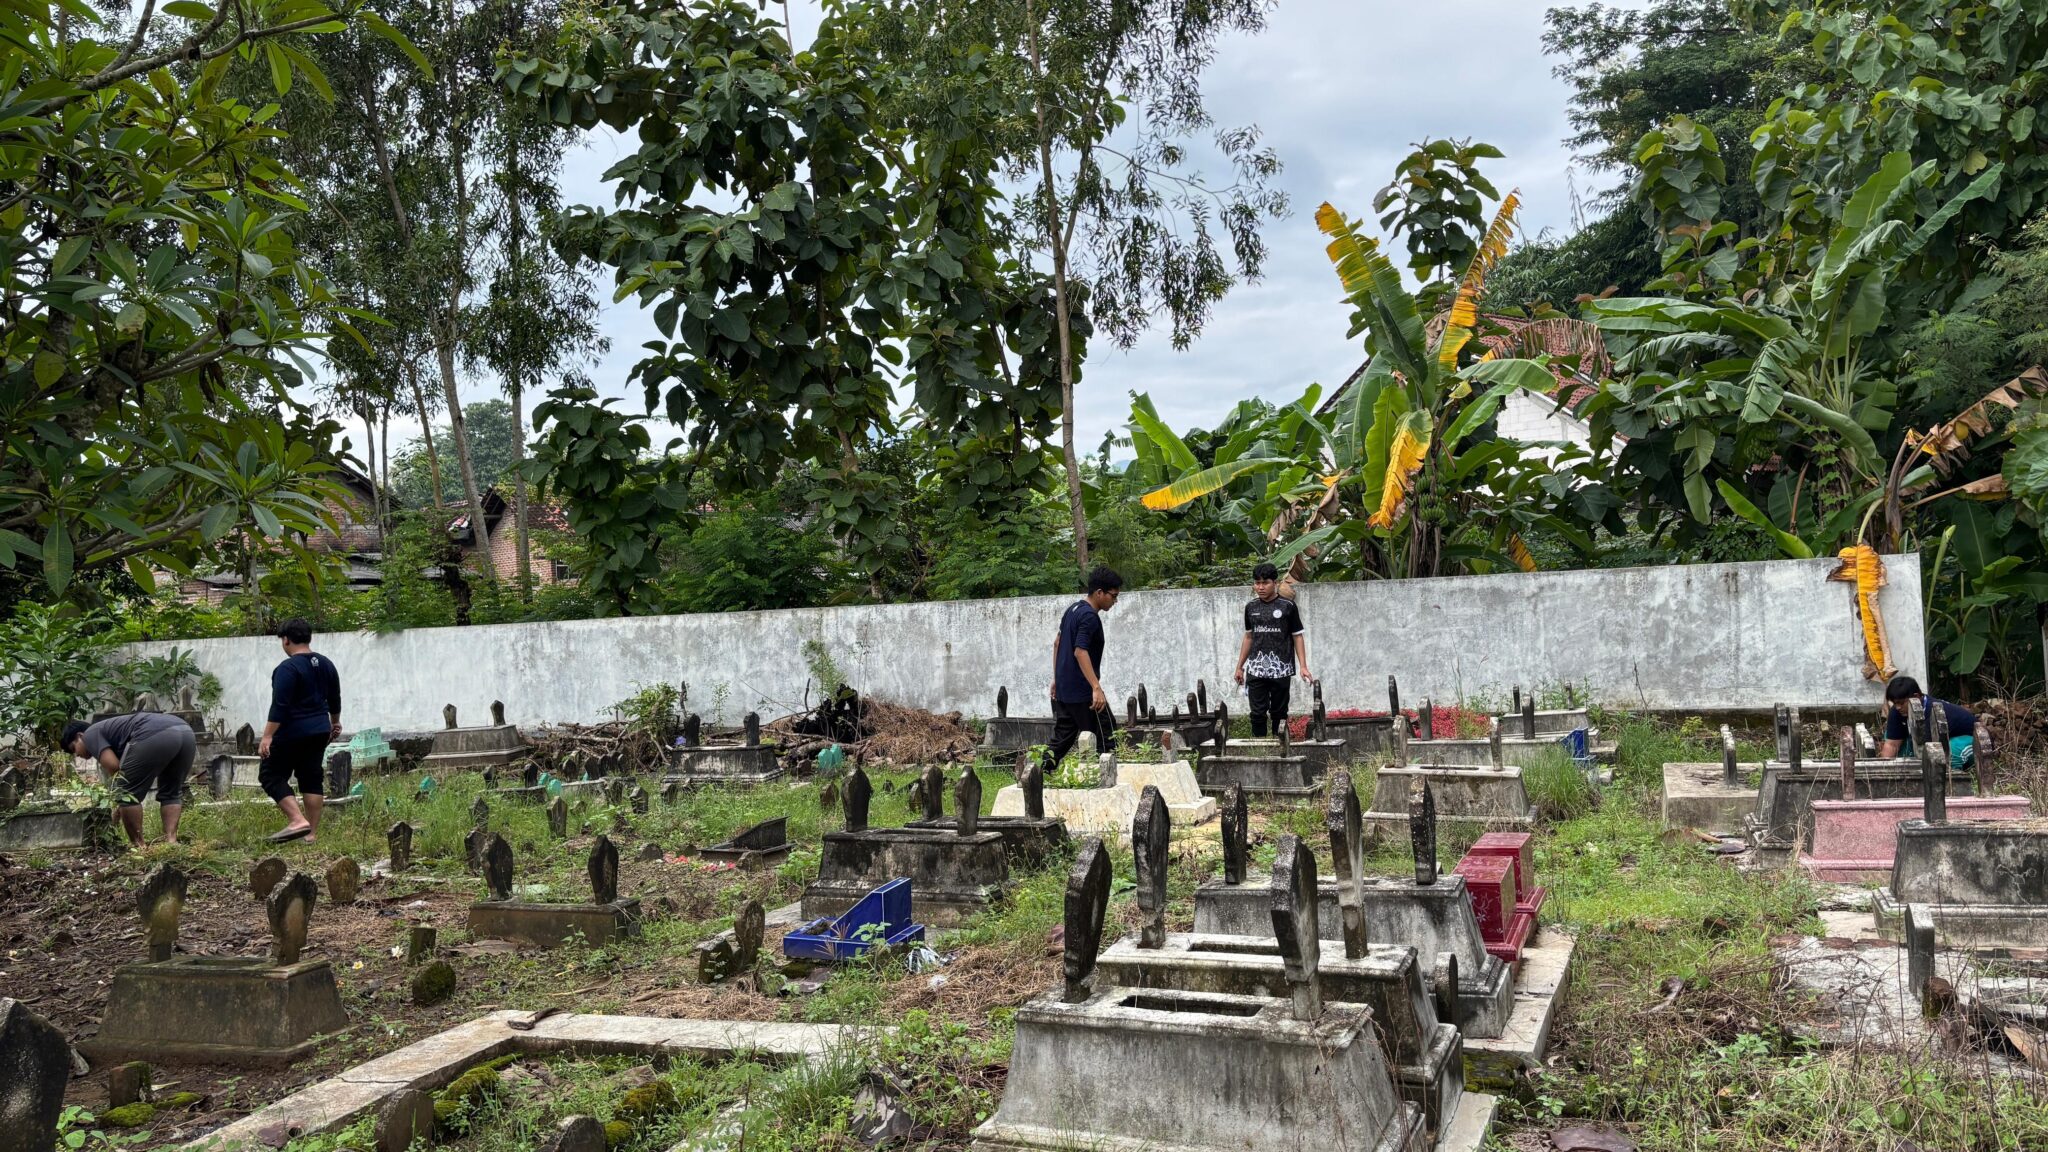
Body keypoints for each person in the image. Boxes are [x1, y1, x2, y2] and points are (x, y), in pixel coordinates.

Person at [260, 617, 343, 843]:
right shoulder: (326, 663)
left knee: (270, 776)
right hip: (319, 730)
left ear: (286, 640)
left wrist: (267, 736)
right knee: (311, 777)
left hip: (292, 732)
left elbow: (280, 705)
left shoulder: (288, 668)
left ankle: (297, 820)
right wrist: (335, 722)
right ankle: (311, 834)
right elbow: (334, 697)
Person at [59, 711, 196, 846]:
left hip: (156, 733)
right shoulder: (109, 730)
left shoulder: (90, 734)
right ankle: (171, 841)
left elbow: (115, 768)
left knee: (127, 794)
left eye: (73, 748)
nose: (77, 755)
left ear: (80, 736)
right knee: (170, 791)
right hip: (186, 732)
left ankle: (139, 847)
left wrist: (119, 801)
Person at [1041, 566, 1124, 776]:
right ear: (1099, 593)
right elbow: (1080, 652)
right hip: (1083, 692)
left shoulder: (1073, 610)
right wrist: (1096, 687)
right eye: (1113, 596)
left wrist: (1056, 678)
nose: (1115, 601)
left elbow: (1057, 643)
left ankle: (1038, 773)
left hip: (1066, 690)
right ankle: (1107, 782)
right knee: (1107, 735)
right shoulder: (1089, 617)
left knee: (1062, 737)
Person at [1233, 562, 1312, 738]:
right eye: (1257, 583)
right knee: (1257, 713)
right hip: (1256, 669)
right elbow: (1248, 637)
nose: (1260, 587)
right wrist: (1239, 666)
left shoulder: (1288, 607)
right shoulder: (1251, 607)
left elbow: (1297, 636)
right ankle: (1259, 747)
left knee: (1279, 713)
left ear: (1275, 583)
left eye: (1265, 583)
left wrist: (1303, 666)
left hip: (1281, 668)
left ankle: (1280, 746)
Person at [1878, 674, 1977, 769]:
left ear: (1916, 697)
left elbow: (1933, 749)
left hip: (1967, 740)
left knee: (1949, 754)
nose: (1898, 707)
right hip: (1933, 743)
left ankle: (1951, 780)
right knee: (1894, 738)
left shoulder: (1935, 711)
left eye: (1901, 703)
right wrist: (1883, 771)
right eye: (1895, 703)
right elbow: (1892, 744)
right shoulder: (1897, 711)